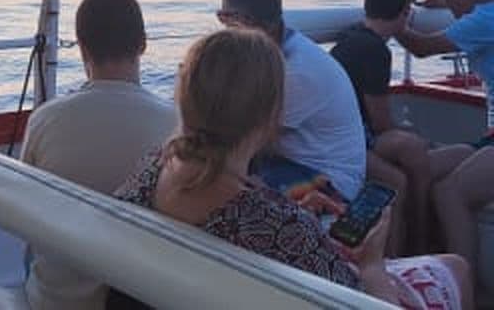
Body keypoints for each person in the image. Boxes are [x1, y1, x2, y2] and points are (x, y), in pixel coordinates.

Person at [110, 29, 474, 310]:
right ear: (270, 114)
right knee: (455, 267)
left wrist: (289, 212)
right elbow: (359, 299)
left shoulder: (154, 168)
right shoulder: (280, 227)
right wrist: (373, 264)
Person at [20, 0, 176, 310]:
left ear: (82, 48)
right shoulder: (175, 125)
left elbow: (26, 211)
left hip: (55, 301)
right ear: (143, 44)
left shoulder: (45, 120)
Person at [218, 0, 366, 201]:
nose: (223, 26)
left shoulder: (297, 72)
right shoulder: (275, 50)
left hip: (329, 179)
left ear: (243, 20)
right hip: (290, 158)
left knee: (226, 190)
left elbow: (253, 138)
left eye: (223, 17)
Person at [396, 0, 494, 275]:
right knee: (423, 167)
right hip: (489, 138)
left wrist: (389, 20)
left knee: (449, 192)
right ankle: (424, 258)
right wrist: (445, 4)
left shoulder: (483, 20)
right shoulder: (485, 14)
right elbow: (474, 18)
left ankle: (462, 285)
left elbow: (422, 48)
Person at [330, 0, 433, 255]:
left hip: (343, 132)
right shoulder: (375, 51)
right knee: (406, 164)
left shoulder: (352, 37)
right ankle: (414, 244)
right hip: (348, 140)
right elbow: (381, 123)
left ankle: (412, 245)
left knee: (413, 149)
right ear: (405, 11)